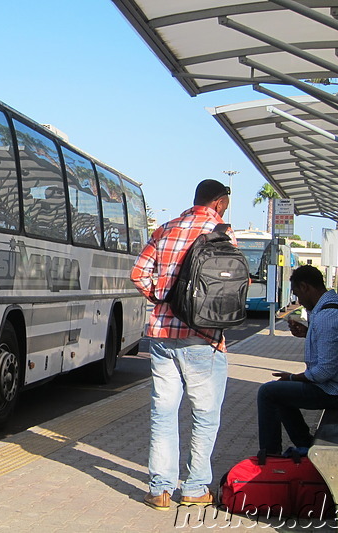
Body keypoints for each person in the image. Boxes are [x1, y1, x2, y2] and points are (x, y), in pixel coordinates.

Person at [130, 179, 234, 511]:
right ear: (219, 203)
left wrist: (162, 297)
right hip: (205, 337)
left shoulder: (165, 229)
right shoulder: (223, 231)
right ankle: (194, 488)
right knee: (204, 413)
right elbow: (235, 283)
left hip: (162, 334)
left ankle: (159, 489)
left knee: (163, 412)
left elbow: (138, 273)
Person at [257, 265, 338, 455]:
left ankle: (270, 455)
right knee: (281, 393)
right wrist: (308, 332)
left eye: (297, 294)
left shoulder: (327, 316)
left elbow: (325, 371)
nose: (298, 301)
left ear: (305, 287)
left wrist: (293, 378)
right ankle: (304, 444)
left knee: (268, 392)